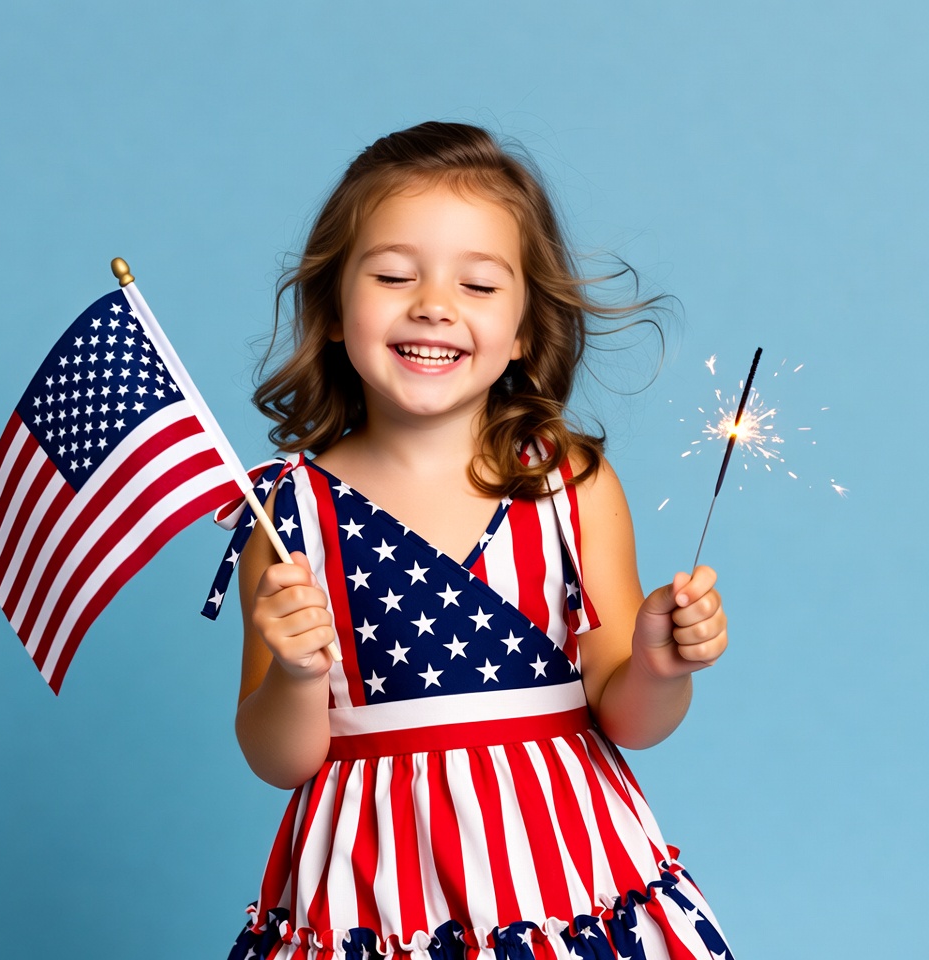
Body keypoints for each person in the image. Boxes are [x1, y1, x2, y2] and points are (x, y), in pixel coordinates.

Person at [203, 121, 732, 960]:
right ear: (335, 310)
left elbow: (627, 717)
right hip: (371, 903)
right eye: (393, 275)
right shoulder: (286, 514)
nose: (434, 305)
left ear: (525, 328)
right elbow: (277, 758)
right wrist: (301, 675)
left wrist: (662, 666)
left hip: (563, 882)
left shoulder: (568, 484)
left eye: (478, 286)